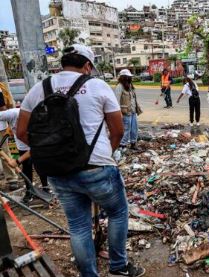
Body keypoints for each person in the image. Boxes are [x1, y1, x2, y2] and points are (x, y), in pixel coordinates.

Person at [16, 44, 145, 277]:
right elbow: (117, 130)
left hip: (59, 172)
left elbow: (22, 132)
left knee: (78, 226)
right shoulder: (97, 85)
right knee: (117, 213)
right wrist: (106, 155)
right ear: (87, 65)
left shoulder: (39, 88)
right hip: (97, 168)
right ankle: (118, 268)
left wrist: (50, 150)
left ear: (63, 63)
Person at [0, 108, 49, 202]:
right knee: (26, 168)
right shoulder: (12, 114)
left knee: (41, 165)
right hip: (21, 145)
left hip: (35, 144)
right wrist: (9, 127)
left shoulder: (40, 120)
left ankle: (46, 188)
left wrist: (17, 161)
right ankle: (29, 190)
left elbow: (35, 150)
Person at [115, 69, 142, 150]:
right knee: (127, 129)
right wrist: (119, 113)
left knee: (134, 128)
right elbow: (116, 101)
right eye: (128, 77)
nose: (130, 78)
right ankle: (122, 145)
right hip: (125, 113)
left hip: (132, 111)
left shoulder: (130, 85)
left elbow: (133, 99)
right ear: (124, 77)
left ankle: (133, 143)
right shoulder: (120, 86)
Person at [0, 84, 18, 190]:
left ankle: (12, 179)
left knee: (5, 153)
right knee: (5, 153)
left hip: (0, 127)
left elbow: (2, 107)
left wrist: (7, 125)